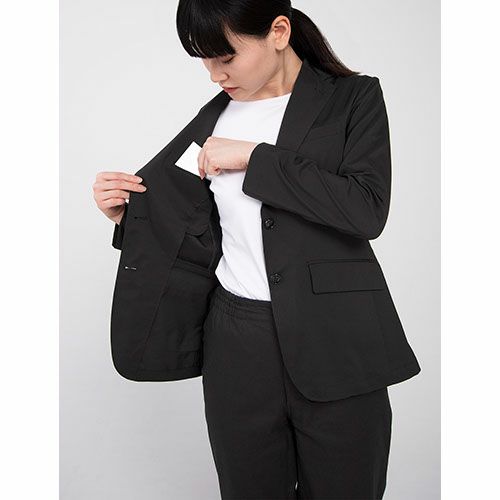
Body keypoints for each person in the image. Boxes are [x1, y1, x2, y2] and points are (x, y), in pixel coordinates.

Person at [93, 1, 421, 498]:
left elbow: (366, 209)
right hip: (237, 342)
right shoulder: (211, 120)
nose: (214, 74)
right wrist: (127, 216)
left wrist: (255, 158)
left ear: (279, 32)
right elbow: (188, 223)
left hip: (337, 336)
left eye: (225, 57)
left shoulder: (353, 99)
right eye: (204, 60)